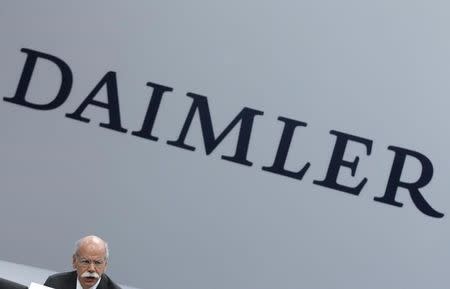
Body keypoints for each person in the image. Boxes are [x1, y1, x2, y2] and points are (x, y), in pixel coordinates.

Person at [44, 235, 121, 289]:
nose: (91, 269)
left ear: (105, 265)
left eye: (97, 263)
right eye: (85, 262)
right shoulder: (54, 283)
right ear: (74, 261)